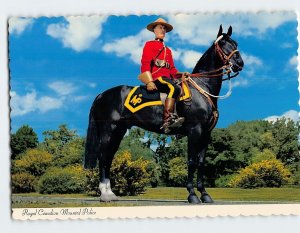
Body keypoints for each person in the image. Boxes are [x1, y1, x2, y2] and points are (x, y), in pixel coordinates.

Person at [139, 18, 184, 133]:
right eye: (160, 27)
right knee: (174, 88)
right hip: (157, 79)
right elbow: (145, 63)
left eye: (164, 28)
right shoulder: (149, 44)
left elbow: (173, 70)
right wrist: (149, 82)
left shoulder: (168, 50)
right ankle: (167, 120)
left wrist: (182, 74)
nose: (163, 30)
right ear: (154, 30)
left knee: (185, 89)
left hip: (168, 79)